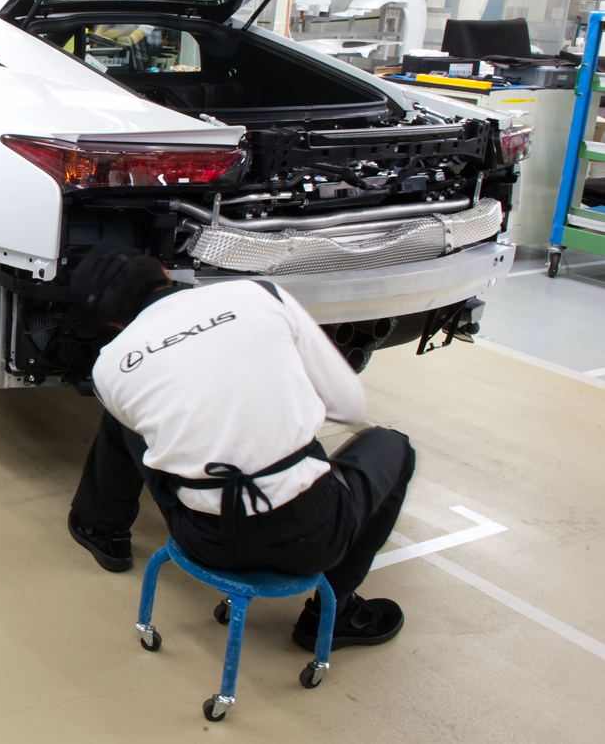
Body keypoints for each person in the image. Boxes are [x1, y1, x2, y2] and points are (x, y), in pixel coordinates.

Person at [66, 246, 415, 652]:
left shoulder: (110, 366)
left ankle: (102, 528)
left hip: (204, 542)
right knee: (393, 446)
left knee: (123, 414)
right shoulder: (258, 294)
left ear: (110, 320)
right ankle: (332, 615)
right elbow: (349, 407)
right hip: (314, 536)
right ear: (165, 271)